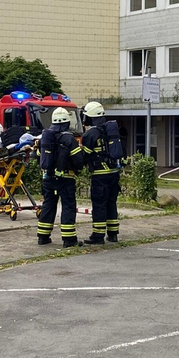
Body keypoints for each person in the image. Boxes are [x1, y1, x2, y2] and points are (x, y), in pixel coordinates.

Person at [37, 107, 83, 248]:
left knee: (48, 205)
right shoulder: (69, 139)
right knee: (68, 206)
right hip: (66, 179)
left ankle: (43, 237)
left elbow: (40, 156)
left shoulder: (45, 137)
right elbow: (78, 161)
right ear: (66, 123)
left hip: (48, 178)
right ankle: (69, 240)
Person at [81, 101, 121, 245]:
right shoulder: (111, 131)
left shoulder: (91, 134)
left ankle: (97, 236)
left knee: (99, 205)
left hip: (100, 175)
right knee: (111, 203)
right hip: (114, 173)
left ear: (89, 117)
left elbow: (84, 156)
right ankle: (113, 233)